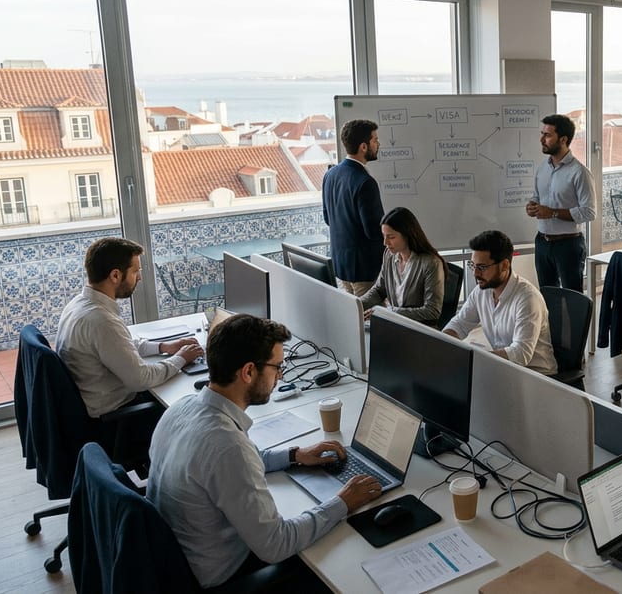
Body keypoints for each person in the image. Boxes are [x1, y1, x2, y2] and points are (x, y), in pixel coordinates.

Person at [147, 314, 382, 589]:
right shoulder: (227, 446)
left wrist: (295, 455)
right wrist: (343, 501)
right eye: (276, 367)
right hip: (221, 575)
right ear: (248, 372)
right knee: (335, 562)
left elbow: (229, 465)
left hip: (179, 557)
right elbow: (276, 545)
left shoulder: (183, 407)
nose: (280, 376)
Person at [57, 237, 203, 422]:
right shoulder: (101, 322)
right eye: (135, 271)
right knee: (190, 406)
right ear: (115, 275)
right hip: (116, 418)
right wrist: (182, 358)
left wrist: (164, 347)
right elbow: (141, 379)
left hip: (96, 403)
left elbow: (119, 346)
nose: (140, 277)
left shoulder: (79, 304)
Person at [444, 230, 557, 375]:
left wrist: (478, 360)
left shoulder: (527, 298)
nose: (475, 273)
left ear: (504, 265)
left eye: (482, 267)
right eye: (473, 265)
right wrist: (443, 344)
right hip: (504, 370)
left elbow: (521, 353)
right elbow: (459, 324)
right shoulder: (482, 291)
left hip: (536, 376)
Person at [526, 114, 595, 291]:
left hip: (568, 246)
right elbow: (537, 196)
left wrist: (552, 212)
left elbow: (589, 212)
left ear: (563, 139)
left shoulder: (579, 172)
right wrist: (532, 205)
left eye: (547, 135)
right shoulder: (542, 168)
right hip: (542, 242)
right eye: (542, 134)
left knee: (573, 300)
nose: (541, 139)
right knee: (548, 297)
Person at [322, 119, 385, 295]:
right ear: (363, 147)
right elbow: (374, 230)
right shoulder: (365, 182)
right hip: (365, 269)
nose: (378, 144)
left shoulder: (331, 174)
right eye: (375, 140)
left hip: (341, 265)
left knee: (352, 318)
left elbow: (328, 218)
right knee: (369, 320)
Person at [358, 207, 445, 325]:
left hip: (419, 330)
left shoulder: (431, 263)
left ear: (408, 235)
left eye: (391, 237)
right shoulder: (389, 255)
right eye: (384, 236)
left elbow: (432, 311)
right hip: (395, 325)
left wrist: (389, 313)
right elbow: (379, 290)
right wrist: (357, 304)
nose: (385, 243)